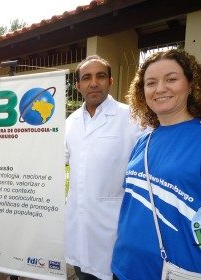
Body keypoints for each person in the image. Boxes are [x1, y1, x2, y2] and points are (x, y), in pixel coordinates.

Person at [111, 49, 201, 279]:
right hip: (125, 268)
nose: (160, 88)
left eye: (171, 79)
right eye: (151, 82)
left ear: (191, 85)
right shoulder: (144, 139)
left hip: (177, 271)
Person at [65, 55, 144, 280]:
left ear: (110, 81)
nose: (94, 83)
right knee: (83, 273)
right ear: (78, 85)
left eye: (100, 76)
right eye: (87, 78)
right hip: (79, 228)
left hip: (115, 229)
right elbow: (52, 161)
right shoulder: (70, 123)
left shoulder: (133, 118)